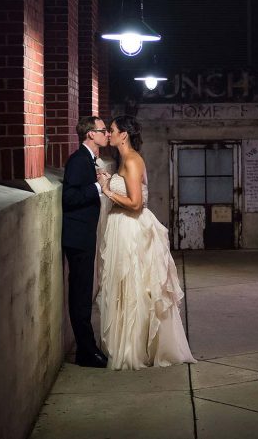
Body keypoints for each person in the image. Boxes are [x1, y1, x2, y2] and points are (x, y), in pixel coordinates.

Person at [94, 115, 196, 370]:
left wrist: (106, 189)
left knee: (135, 287)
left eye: (113, 130)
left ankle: (134, 349)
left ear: (124, 135)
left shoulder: (132, 160)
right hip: (121, 227)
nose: (109, 134)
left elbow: (136, 203)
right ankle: (129, 345)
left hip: (131, 229)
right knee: (126, 288)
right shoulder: (123, 160)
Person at [61, 115, 111, 368]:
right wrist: (98, 187)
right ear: (90, 134)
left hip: (84, 235)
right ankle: (86, 351)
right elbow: (69, 197)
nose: (108, 134)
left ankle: (88, 348)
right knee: (80, 295)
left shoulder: (89, 160)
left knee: (83, 294)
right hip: (77, 238)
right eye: (103, 130)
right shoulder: (79, 160)